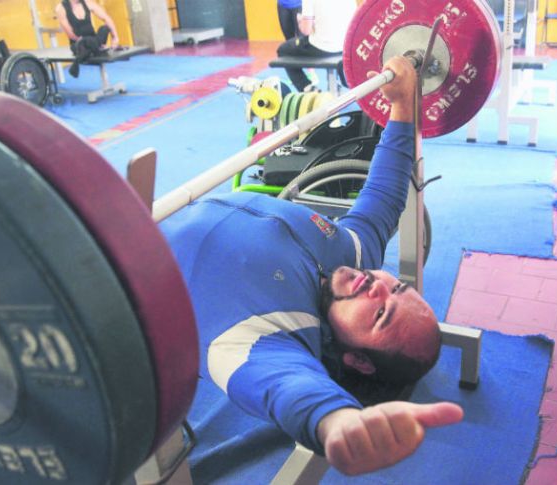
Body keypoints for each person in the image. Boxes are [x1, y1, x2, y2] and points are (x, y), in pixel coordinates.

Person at [159, 56, 463, 476]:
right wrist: (403, 103)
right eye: (397, 289)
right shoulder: (355, 256)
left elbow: (289, 389)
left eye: (379, 315)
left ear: (357, 360)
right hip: (166, 203)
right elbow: (387, 192)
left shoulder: (265, 341)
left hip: (113, 247)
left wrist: (339, 421)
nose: (376, 287)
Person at [276, 0, 357, 92]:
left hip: (322, 49)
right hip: (346, 47)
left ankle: (307, 87)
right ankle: (342, 81)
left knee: (282, 50)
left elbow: (306, 31)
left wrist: (300, 21)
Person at [55, 0, 120, 78]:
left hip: (94, 40)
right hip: (78, 44)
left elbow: (106, 18)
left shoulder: (88, 3)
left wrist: (115, 37)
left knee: (104, 29)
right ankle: (95, 48)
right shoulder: (61, 8)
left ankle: (94, 48)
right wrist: (87, 41)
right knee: (87, 41)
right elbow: (70, 34)